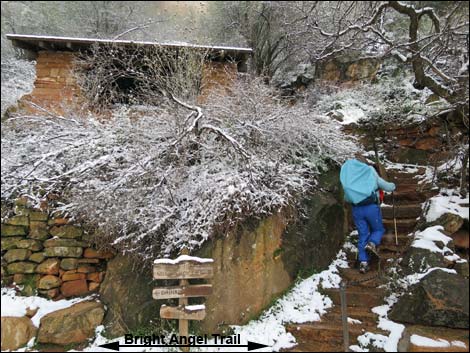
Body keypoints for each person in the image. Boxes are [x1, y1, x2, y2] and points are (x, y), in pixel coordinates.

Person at [340, 158, 396, 274]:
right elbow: (386, 186)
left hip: (356, 209)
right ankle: (372, 243)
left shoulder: (349, 179)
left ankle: (363, 262)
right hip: (371, 207)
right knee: (378, 229)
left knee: (363, 234)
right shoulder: (369, 171)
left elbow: (346, 197)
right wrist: (393, 186)